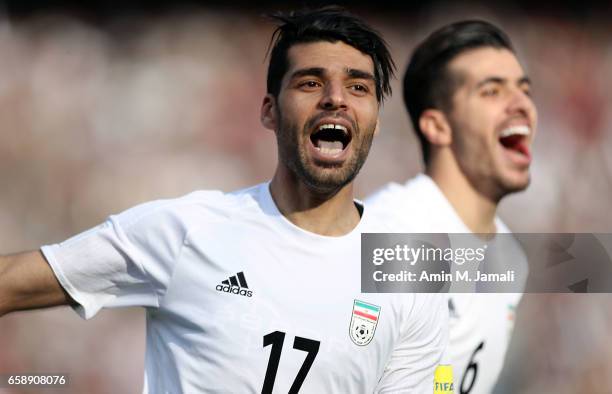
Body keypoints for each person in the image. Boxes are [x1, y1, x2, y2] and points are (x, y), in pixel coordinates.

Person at [0, 7, 449, 393]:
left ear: (376, 120)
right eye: (311, 83)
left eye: (358, 87)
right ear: (269, 111)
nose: (335, 99)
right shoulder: (186, 231)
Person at [366, 20, 537, 394]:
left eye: (524, 90)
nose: (522, 104)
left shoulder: (510, 258)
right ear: (437, 127)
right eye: (491, 91)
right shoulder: (395, 234)